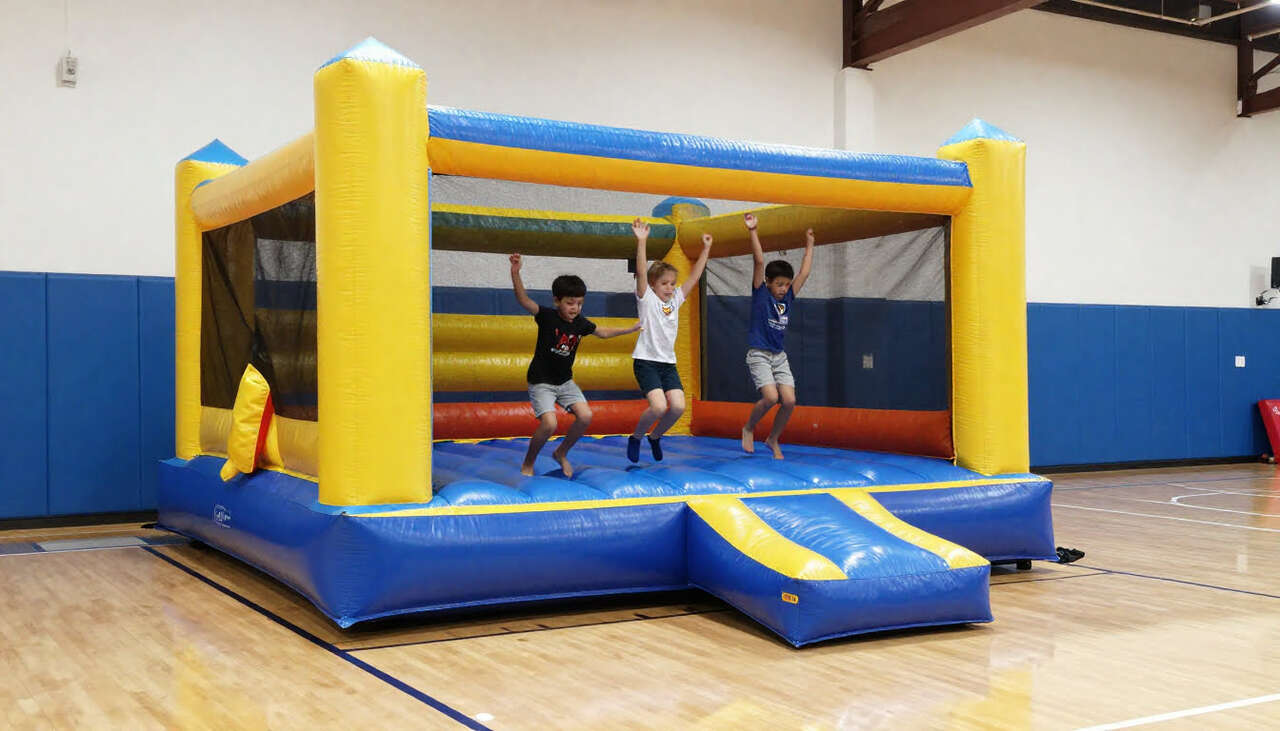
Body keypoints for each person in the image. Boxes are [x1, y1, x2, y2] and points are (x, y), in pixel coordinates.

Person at [510, 253, 641, 477]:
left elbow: (603, 333)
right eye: (570, 303)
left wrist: (630, 329)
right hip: (541, 381)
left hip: (565, 382)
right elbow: (524, 300)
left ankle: (561, 452)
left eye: (579, 303)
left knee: (586, 416)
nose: (575, 308)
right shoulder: (547, 316)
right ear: (557, 301)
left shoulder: (580, 323)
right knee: (549, 424)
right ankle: (528, 463)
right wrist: (515, 272)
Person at [627, 218, 712, 463]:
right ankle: (636, 437)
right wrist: (641, 242)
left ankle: (655, 437)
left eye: (672, 284)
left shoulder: (675, 301)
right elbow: (641, 272)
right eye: (664, 283)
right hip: (646, 361)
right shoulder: (647, 299)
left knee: (677, 407)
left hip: (667, 363)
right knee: (658, 407)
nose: (669, 288)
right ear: (653, 285)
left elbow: (694, 277)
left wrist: (705, 250)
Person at [739, 212, 814, 459]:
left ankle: (773, 438)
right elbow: (759, 261)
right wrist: (753, 231)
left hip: (779, 356)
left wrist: (809, 244)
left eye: (786, 284)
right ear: (769, 282)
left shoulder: (789, 297)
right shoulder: (761, 294)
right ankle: (749, 428)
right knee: (771, 397)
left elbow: (804, 273)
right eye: (779, 284)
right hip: (759, 354)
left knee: (789, 401)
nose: (783, 289)